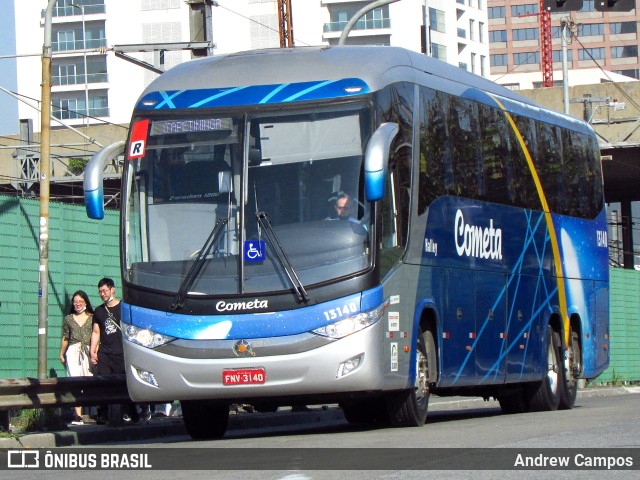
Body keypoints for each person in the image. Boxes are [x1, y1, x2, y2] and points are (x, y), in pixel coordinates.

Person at [90, 277, 139, 425]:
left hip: (122, 352)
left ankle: (131, 413)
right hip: (105, 353)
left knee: (123, 384)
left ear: (113, 289)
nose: (102, 294)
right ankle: (102, 415)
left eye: (104, 291)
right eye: (100, 292)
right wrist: (92, 350)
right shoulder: (99, 311)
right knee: (103, 384)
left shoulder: (124, 307)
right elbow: (96, 332)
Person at [59, 290, 94, 425]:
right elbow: (65, 338)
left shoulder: (92, 317)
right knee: (75, 381)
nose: (78, 304)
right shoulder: (68, 319)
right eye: (75, 302)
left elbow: (97, 334)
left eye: (80, 301)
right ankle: (78, 415)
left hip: (88, 350)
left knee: (90, 381)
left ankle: (92, 412)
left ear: (85, 302)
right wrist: (61, 354)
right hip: (73, 351)